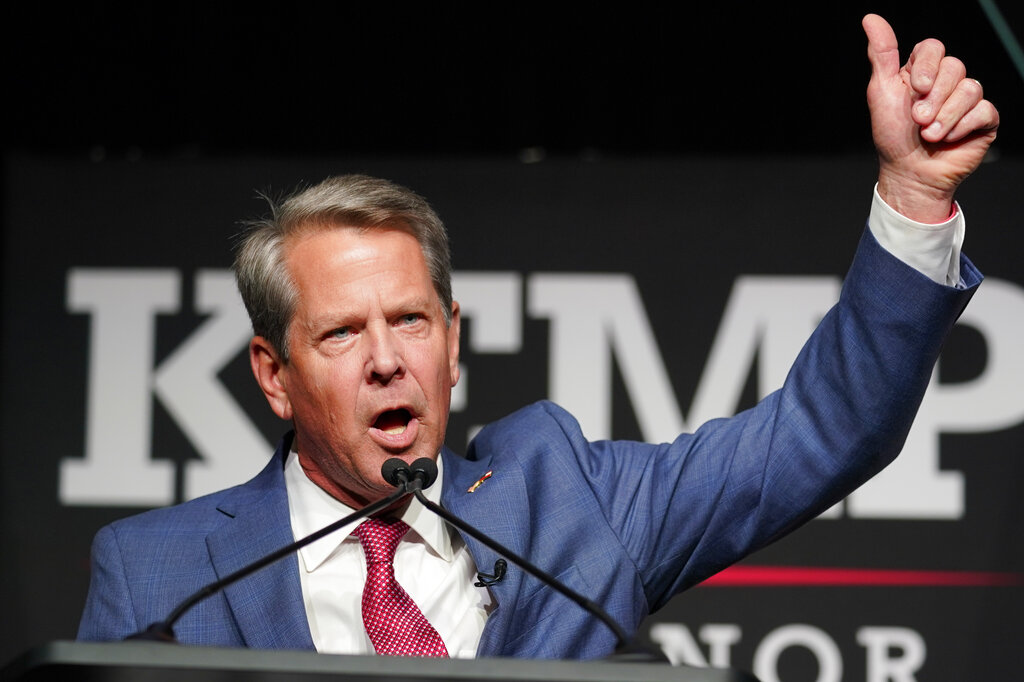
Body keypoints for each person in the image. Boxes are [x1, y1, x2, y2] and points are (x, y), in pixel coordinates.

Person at [78, 15, 998, 659]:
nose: (388, 360)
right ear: (274, 374)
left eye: (410, 320)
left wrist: (914, 198)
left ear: (453, 342)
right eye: (343, 334)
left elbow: (827, 430)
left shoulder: (567, 505)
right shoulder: (159, 571)